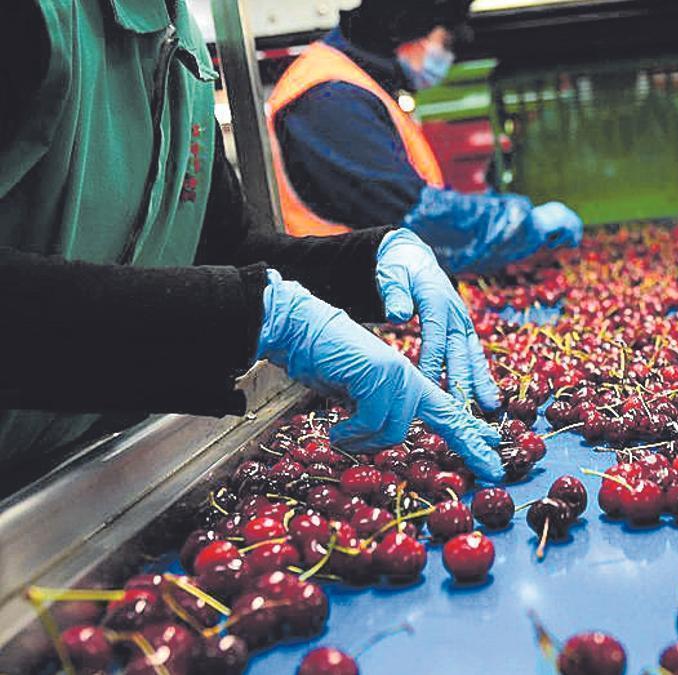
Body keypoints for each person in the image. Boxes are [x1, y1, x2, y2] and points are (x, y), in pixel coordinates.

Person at [0, 0, 506, 483]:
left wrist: (371, 262)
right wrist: (253, 316)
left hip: (83, 462)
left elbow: (224, 245)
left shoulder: (182, 46)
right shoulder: (33, 19)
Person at [266, 0, 583, 274]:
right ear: (408, 26)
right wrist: (523, 223)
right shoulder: (330, 97)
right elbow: (417, 218)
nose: (448, 57)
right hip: (343, 306)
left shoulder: (359, 87)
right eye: (445, 42)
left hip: (370, 299)